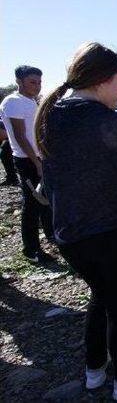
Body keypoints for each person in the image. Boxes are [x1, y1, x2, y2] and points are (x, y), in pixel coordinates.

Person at [35, 42, 117, 400]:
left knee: (100, 297)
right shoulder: (113, 122)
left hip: (70, 235)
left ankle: (93, 371)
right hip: (116, 231)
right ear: (102, 80)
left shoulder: (49, 116)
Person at [0, 65, 55, 262]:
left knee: (46, 198)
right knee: (31, 204)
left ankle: (51, 234)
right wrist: (36, 162)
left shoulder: (32, 101)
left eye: (39, 82)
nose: (37, 86)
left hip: (40, 157)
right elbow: (20, 136)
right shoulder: (13, 102)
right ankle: (31, 250)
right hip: (26, 159)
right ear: (19, 81)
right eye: (33, 82)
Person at [0, 120, 19, 185]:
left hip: (15, 136)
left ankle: (12, 178)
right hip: (10, 137)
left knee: (5, 150)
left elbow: (5, 136)